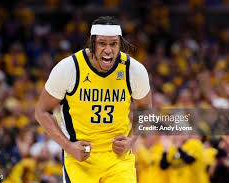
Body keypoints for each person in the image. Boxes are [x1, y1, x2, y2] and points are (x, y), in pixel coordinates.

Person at [35, 16, 151, 183]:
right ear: (92, 43)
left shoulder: (134, 70)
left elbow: (145, 108)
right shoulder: (69, 68)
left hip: (118, 158)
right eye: (102, 43)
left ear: (121, 44)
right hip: (80, 157)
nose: (108, 50)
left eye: (113, 44)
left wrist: (131, 140)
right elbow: (41, 111)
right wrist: (68, 146)